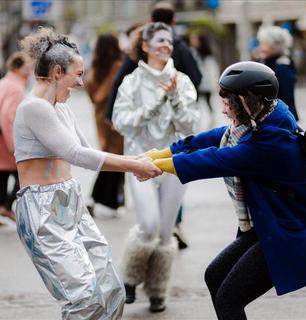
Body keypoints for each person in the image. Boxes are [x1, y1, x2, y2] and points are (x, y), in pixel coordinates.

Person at [146, 61, 306, 319]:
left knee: (230, 298)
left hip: (286, 230)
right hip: (267, 223)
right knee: (214, 276)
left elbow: (215, 159)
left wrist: (161, 166)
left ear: (248, 101)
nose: (224, 109)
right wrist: (166, 151)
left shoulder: (271, 143)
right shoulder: (269, 114)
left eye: (229, 103)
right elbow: (219, 135)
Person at [14, 26, 161, 320]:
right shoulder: (34, 108)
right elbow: (77, 154)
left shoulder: (61, 108)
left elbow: (89, 154)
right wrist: (133, 164)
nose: (81, 83)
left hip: (69, 200)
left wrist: (137, 158)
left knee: (111, 290)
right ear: (57, 72)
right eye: (77, 74)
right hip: (43, 211)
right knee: (83, 298)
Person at [112, 22, 198, 312]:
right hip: (140, 161)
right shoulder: (131, 82)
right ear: (145, 46)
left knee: (164, 231)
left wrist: (173, 97)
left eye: (170, 40)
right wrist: (154, 105)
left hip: (175, 162)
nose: (166, 45)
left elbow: (189, 125)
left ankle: (158, 290)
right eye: (160, 40)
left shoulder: (182, 81)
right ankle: (130, 277)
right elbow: (121, 122)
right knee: (147, 225)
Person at [85, 33, 125, 218]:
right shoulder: (118, 65)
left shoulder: (94, 68)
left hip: (101, 115)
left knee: (110, 155)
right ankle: (104, 198)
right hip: (114, 116)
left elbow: (91, 91)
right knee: (115, 157)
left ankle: (105, 198)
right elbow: (108, 91)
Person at [0, 51, 32, 224]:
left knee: (4, 176)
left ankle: (4, 206)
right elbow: (8, 116)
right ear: (20, 67)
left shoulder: (6, 82)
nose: (30, 68)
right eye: (27, 65)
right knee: (25, 173)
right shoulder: (15, 88)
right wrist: (15, 145)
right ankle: (7, 205)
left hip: (2, 143)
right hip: (7, 143)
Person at [257, 25, 299, 120]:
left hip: (282, 117)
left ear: (275, 47)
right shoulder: (265, 62)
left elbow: (285, 98)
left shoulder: (283, 66)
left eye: (264, 44)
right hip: (270, 116)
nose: (261, 48)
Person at [190, 33, 219, 117]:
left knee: (207, 102)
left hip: (206, 82)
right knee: (196, 102)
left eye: (195, 39)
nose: (193, 41)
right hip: (198, 82)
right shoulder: (193, 52)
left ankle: (212, 118)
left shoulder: (206, 55)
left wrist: (215, 82)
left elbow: (212, 69)